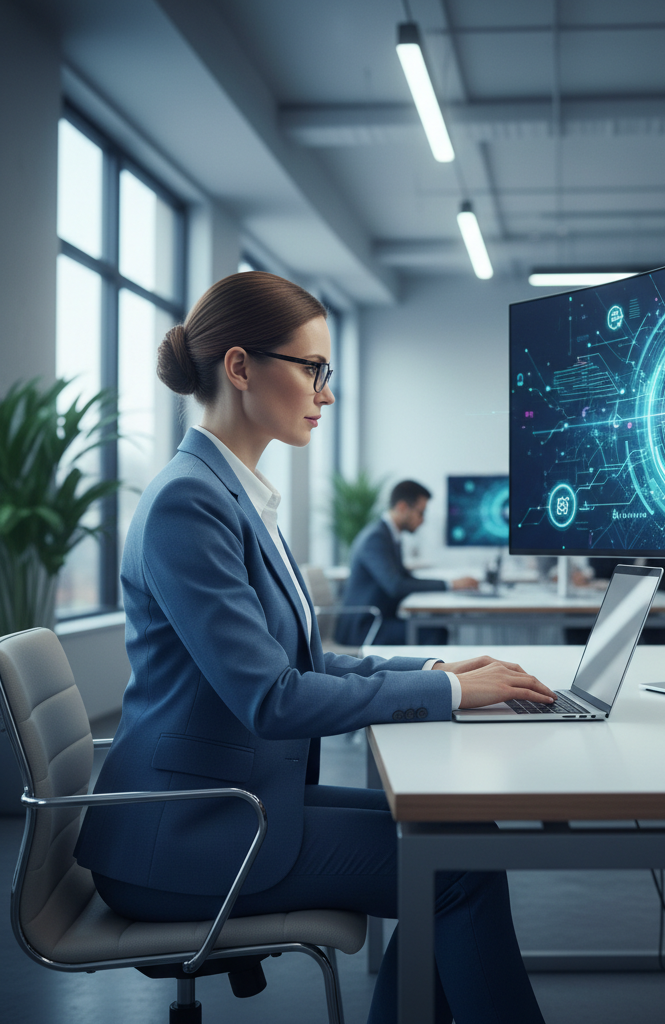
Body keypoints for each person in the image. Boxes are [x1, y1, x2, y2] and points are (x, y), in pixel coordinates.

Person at [73, 271, 554, 1024]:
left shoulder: (235, 494)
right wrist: (452, 696)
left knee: (460, 838)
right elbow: (273, 699)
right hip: (186, 835)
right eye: (313, 369)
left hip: (235, 801)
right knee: (457, 864)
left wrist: (434, 671)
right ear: (240, 368)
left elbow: (302, 665)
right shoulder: (188, 502)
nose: (326, 394)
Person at [336, 480, 478, 646]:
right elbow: (396, 586)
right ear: (402, 507)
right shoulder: (375, 538)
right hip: (365, 629)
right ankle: (434, 673)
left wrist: (450, 584)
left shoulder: (389, 535)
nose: (423, 520)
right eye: (421, 513)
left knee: (435, 626)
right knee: (435, 632)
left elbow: (406, 578)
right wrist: (451, 584)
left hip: (379, 621)